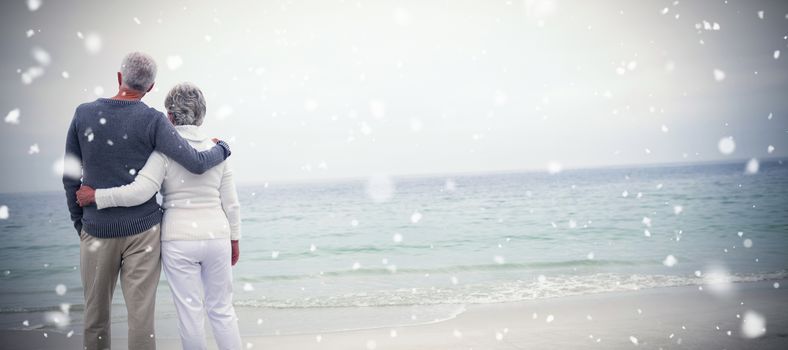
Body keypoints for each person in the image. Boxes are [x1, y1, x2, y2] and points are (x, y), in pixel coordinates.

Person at [62, 52, 231, 350]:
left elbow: (70, 177)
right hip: (144, 233)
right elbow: (196, 162)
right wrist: (224, 149)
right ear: (151, 87)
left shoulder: (83, 114)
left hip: (96, 231)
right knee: (141, 319)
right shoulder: (153, 120)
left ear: (119, 77)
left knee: (95, 318)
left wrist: (83, 224)